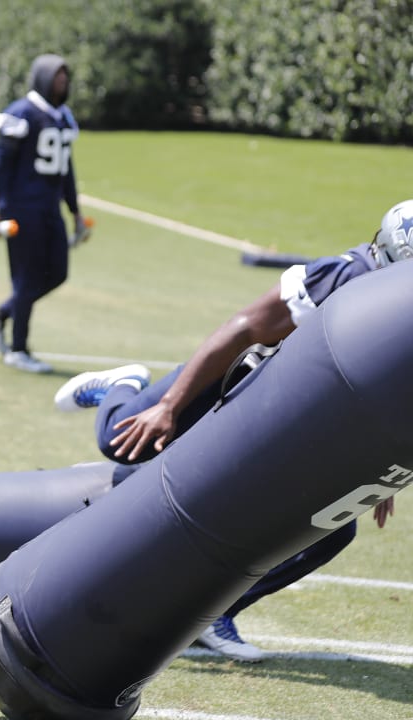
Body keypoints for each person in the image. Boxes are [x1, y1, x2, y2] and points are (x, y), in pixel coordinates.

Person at [53, 199, 413, 661]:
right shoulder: (345, 277)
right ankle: (121, 386)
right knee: (121, 445)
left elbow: (374, 398)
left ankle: (214, 614)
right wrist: (167, 406)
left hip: (282, 424)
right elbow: (244, 328)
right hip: (234, 386)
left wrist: (381, 476)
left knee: (331, 530)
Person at [0, 53, 86, 374]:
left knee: (58, 272)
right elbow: (0, 164)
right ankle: (18, 348)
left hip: (49, 209)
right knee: (26, 278)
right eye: (58, 78)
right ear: (42, 78)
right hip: (21, 209)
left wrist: (75, 211)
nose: (63, 83)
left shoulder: (63, 117)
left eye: (66, 79)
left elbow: (66, 169)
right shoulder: (21, 114)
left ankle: (0, 315)